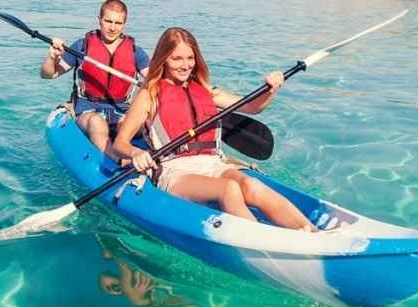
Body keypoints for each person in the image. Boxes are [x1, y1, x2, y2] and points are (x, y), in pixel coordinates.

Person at [110, 26, 318, 232]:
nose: (185, 65)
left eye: (190, 58)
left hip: (213, 163)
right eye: (177, 59)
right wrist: (135, 153)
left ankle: (310, 231)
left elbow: (253, 107)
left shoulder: (206, 90)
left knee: (251, 185)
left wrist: (271, 90)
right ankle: (265, 241)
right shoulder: (149, 95)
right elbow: (120, 142)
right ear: (163, 59)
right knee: (229, 188)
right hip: (175, 171)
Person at [40, 0, 149, 156]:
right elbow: (48, 74)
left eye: (118, 23)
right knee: (97, 123)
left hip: (121, 110)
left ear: (124, 24)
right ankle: (117, 160)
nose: (112, 28)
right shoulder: (82, 47)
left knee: (132, 124)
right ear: (99, 20)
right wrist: (52, 57)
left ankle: (141, 155)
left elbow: (153, 79)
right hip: (88, 109)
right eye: (108, 21)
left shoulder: (135, 52)